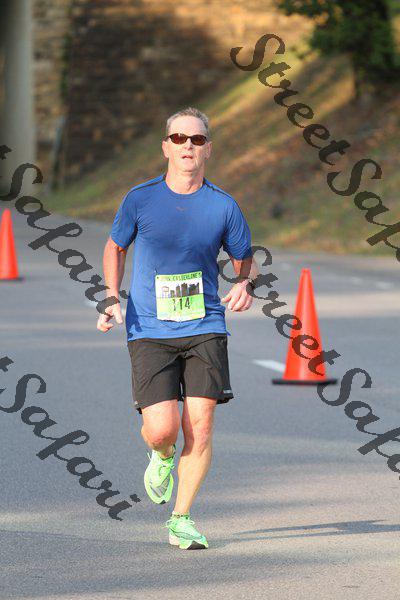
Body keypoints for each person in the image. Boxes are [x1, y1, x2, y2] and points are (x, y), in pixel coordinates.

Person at [97, 106, 258, 550]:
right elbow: (115, 247)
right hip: (149, 327)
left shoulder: (223, 206)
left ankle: (181, 518)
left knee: (200, 427)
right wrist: (111, 296)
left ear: (208, 150)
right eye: (180, 138)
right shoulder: (140, 199)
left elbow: (245, 259)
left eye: (198, 139)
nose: (189, 145)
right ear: (166, 147)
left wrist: (244, 283)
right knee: (162, 429)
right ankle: (162, 454)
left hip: (205, 324)